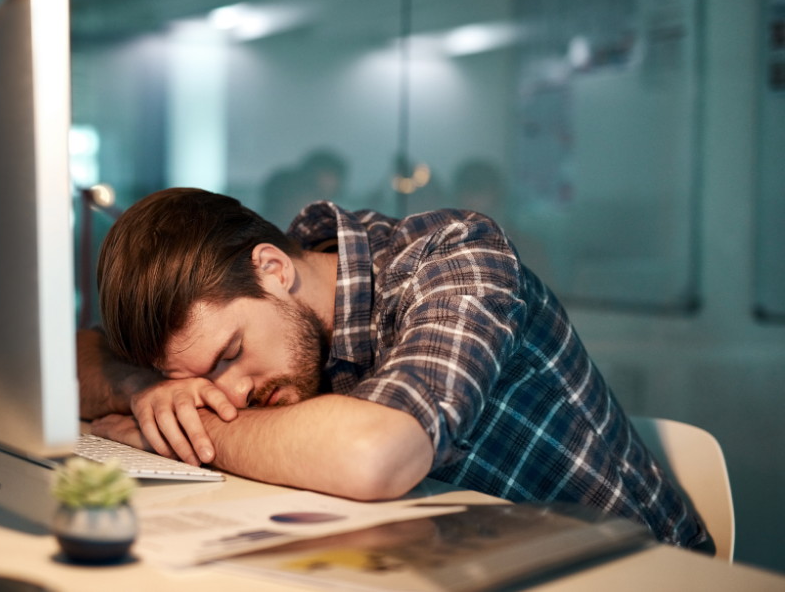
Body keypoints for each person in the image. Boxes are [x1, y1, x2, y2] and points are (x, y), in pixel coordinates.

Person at [78, 188, 708, 550]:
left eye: (229, 357)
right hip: (460, 560)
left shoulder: (455, 258)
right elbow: (70, 359)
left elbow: (377, 455)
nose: (230, 394)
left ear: (273, 267)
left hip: (633, 571)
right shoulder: (243, 311)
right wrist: (148, 389)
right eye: (200, 382)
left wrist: (195, 435)